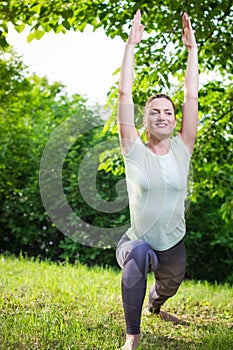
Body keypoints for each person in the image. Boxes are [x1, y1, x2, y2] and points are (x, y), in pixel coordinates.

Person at [116, 9, 198, 350]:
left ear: (175, 120)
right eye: (154, 111)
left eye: (168, 111)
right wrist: (131, 45)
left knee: (170, 284)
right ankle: (132, 336)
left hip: (173, 245)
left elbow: (191, 96)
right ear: (143, 119)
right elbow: (124, 94)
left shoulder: (183, 147)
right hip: (137, 241)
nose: (162, 115)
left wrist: (193, 52)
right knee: (138, 254)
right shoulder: (132, 148)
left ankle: (156, 304)